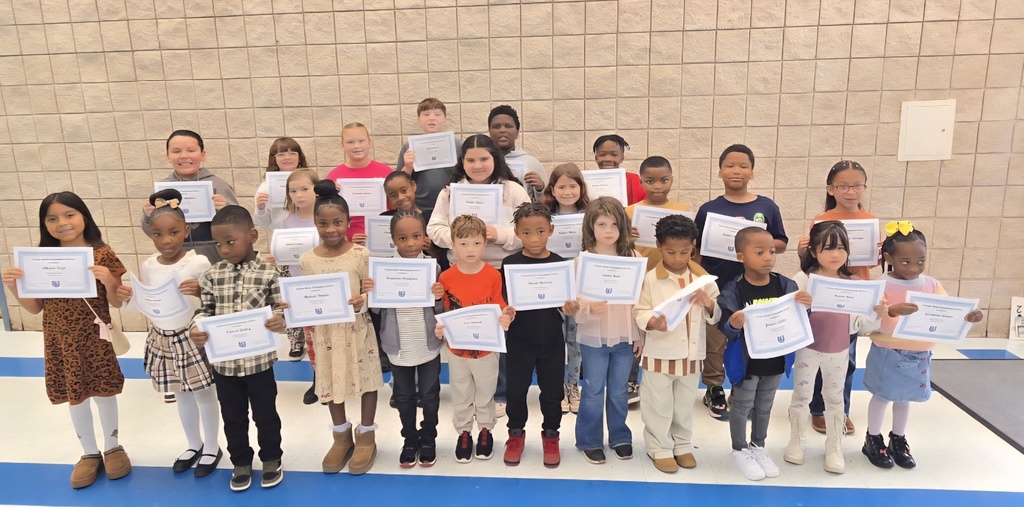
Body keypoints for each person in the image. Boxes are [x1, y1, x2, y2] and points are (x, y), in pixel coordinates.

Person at [2, 192, 131, 489]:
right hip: (60, 339)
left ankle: (113, 446)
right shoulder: (40, 259)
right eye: (52, 218)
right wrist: (13, 287)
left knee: (103, 390)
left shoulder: (102, 254)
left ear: (84, 216)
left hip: (94, 337)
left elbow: (117, 301)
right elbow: (36, 308)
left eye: (69, 214)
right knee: (76, 394)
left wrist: (109, 280)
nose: (62, 223)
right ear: (44, 224)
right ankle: (88, 453)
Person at [117, 189, 221, 478]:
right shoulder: (149, 265)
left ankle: (212, 446)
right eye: (159, 235)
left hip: (192, 336)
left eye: (174, 232)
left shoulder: (198, 262)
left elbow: (214, 299)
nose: (167, 241)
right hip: (162, 337)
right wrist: (129, 297)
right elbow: (149, 301)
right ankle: (193, 444)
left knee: (203, 393)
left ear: (186, 230)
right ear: (150, 234)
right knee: (180, 393)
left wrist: (201, 291)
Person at [862, 221, 983, 470]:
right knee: (882, 396)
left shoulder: (930, 284)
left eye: (920, 261)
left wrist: (968, 316)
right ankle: (873, 438)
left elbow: (948, 310)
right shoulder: (881, 286)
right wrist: (892, 312)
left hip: (920, 353)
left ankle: (898, 438)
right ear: (889, 258)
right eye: (906, 261)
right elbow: (870, 323)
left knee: (905, 397)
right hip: (889, 352)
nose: (914, 267)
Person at [426, 134, 531, 419]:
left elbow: (526, 231)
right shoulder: (450, 191)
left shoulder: (512, 190)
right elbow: (434, 227)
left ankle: (498, 394)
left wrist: (500, 235)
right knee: (466, 333)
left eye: (484, 159)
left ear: (495, 159)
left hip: (500, 271)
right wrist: (461, 238)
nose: (477, 165)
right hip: (459, 273)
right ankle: (468, 392)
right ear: (462, 162)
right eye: (470, 160)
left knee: (500, 333)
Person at [188, 205, 288, 492]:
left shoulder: (270, 273)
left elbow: (283, 311)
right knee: (232, 417)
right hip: (225, 365)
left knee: (266, 414)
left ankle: (271, 459)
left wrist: (280, 321)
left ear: (252, 236)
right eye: (218, 244)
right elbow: (204, 310)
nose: (224, 249)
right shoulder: (211, 276)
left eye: (230, 241)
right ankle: (241, 462)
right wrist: (196, 327)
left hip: (259, 362)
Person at [295, 180, 384, 475]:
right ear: (314, 223)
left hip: (357, 329)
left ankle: (367, 435)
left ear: (347, 221)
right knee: (332, 383)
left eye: (337, 222)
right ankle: (340, 435)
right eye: (323, 223)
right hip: (325, 335)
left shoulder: (360, 254)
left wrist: (362, 300)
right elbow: (307, 295)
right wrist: (293, 306)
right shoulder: (307, 260)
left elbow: (373, 292)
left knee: (367, 380)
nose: (330, 229)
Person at [694, 144, 788, 421]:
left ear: (752, 172)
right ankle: (713, 387)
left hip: (755, 285)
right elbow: (696, 248)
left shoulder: (766, 207)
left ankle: (742, 387)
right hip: (717, 283)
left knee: (749, 338)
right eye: (730, 165)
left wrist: (759, 242)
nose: (737, 171)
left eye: (743, 166)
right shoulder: (709, 209)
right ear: (720, 172)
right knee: (716, 339)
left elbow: (781, 242)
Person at [785, 221, 884, 474]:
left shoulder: (854, 282)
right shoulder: (802, 279)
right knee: (802, 396)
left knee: (834, 397)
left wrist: (877, 313)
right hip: (808, 350)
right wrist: (804, 306)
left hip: (839, 351)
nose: (835, 254)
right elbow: (789, 317)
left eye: (841, 247)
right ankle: (797, 441)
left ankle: (834, 446)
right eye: (827, 248)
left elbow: (862, 325)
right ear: (814, 252)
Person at [718, 227, 810, 482]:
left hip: (775, 360)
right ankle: (739, 449)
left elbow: (799, 322)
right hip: (747, 363)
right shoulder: (733, 289)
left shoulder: (785, 285)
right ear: (741, 257)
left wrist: (805, 306)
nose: (768, 257)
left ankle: (759, 445)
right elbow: (725, 326)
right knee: (742, 405)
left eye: (771, 251)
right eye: (759, 252)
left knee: (765, 405)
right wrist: (733, 325)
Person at [632, 215, 720, 474]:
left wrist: (709, 304)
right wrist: (650, 322)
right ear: (659, 246)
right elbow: (639, 310)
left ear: (693, 246)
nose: (678, 258)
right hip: (659, 353)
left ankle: (682, 445)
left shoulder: (703, 278)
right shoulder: (650, 278)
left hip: (692, 354)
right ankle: (658, 447)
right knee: (657, 404)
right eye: (671, 252)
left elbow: (716, 313)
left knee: (684, 404)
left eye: (685, 251)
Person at [798, 160, 879, 435]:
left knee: (847, 359)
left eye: (857, 185)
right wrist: (801, 251)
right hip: (823, 299)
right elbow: (809, 264)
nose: (850, 191)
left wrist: (882, 253)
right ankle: (817, 408)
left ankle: (840, 409)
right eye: (843, 185)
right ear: (831, 189)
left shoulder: (871, 221)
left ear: (864, 188)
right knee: (819, 354)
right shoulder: (821, 220)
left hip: (854, 299)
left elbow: (872, 265)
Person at [501, 202, 579, 468]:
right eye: (526, 232)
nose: (534, 238)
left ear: (551, 230)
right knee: (515, 390)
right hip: (519, 340)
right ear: (516, 232)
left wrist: (570, 308)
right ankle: (515, 434)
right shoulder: (509, 263)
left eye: (540, 231)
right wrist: (506, 312)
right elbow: (504, 301)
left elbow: (566, 303)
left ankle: (551, 434)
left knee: (552, 392)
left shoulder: (560, 264)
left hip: (551, 340)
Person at [365, 210, 444, 468]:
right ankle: (409, 438)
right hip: (397, 346)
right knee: (404, 395)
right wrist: (372, 293)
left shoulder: (434, 267)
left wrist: (439, 297)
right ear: (392, 239)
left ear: (424, 236)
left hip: (427, 343)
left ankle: (429, 437)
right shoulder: (383, 269)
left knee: (430, 395)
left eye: (416, 236)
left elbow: (441, 312)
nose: (410, 243)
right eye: (402, 238)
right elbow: (376, 312)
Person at [435, 215, 515, 463]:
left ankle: (485, 430)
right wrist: (440, 328)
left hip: (486, 349)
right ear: (452, 245)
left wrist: (506, 316)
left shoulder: (492, 275)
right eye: (463, 243)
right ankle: (464, 432)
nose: (470, 249)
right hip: (457, 349)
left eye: (476, 243)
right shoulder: (446, 277)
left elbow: (500, 306)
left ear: (485, 244)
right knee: (460, 391)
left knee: (486, 391)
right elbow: (444, 312)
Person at [573, 197, 644, 465]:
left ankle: (620, 436)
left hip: (625, 336)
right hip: (594, 337)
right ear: (590, 226)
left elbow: (641, 301)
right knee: (592, 390)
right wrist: (590, 308)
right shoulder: (583, 261)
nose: (608, 230)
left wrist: (640, 334)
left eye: (615, 224)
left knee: (618, 389)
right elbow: (574, 305)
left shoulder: (634, 258)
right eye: (601, 224)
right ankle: (589, 440)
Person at [624, 156, 692, 405]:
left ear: (672, 179)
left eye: (664, 180)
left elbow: (690, 247)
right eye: (650, 181)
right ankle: (632, 381)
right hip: (641, 280)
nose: (657, 186)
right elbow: (619, 249)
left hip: (672, 280)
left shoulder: (683, 210)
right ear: (641, 181)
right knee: (638, 329)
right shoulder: (629, 212)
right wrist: (626, 237)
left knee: (669, 325)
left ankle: (671, 377)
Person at [141, 130, 239, 262]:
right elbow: (152, 233)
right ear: (168, 156)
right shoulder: (162, 190)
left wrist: (226, 210)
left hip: (216, 261)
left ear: (202, 154)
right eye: (176, 151)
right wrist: (148, 216)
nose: (184, 156)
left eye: (191, 150)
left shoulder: (219, 185)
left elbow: (239, 227)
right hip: (177, 262)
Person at [265, 170, 320, 406]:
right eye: (293, 191)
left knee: (330, 336)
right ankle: (318, 379)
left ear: (317, 190)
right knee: (312, 339)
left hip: (324, 284)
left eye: (304, 189)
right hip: (300, 286)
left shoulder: (325, 217)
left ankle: (335, 378)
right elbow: (287, 255)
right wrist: (277, 258)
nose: (299, 195)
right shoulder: (288, 221)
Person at [541, 163, 589, 414]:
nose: (568, 191)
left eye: (573, 185)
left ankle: (573, 384)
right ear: (552, 189)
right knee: (556, 338)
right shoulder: (545, 216)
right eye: (562, 186)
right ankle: (558, 386)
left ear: (581, 188)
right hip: (554, 284)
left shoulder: (590, 215)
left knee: (576, 339)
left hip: (581, 285)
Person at [325, 122, 394, 246]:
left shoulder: (386, 172)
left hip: (383, 239)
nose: (356, 146)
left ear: (369, 142)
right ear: (342, 146)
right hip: (345, 243)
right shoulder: (334, 177)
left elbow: (396, 208)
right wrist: (345, 239)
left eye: (361, 141)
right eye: (350, 142)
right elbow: (327, 215)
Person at [397, 97, 460, 224]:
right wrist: (408, 167)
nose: (432, 118)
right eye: (426, 114)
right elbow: (398, 183)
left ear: (444, 120)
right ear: (419, 120)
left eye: (437, 114)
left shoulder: (457, 145)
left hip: (451, 206)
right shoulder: (408, 147)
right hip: (420, 208)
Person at [488, 104, 548, 201]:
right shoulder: (482, 161)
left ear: (516, 133)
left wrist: (540, 188)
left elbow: (549, 202)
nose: (502, 130)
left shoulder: (530, 162)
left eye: (508, 126)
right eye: (496, 126)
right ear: (489, 132)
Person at [254, 137, 311, 230]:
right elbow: (264, 224)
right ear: (274, 159)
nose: (287, 157)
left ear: (299, 158)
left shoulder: (311, 182)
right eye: (281, 154)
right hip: (282, 238)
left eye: (292, 153)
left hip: (309, 235)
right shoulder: (265, 187)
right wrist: (260, 209)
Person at [591, 134, 646, 205]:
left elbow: (645, 204)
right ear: (596, 158)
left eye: (614, 155)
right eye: (602, 155)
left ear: (621, 158)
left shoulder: (633, 180)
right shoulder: (586, 181)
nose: (608, 159)